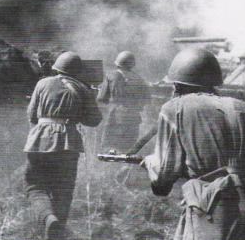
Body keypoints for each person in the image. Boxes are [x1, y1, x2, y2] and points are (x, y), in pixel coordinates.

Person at [139, 48, 245, 239]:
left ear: (177, 85)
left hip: (214, 213)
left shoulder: (174, 108)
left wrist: (151, 162)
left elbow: (163, 177)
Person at [24, 51, 102, 239]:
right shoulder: (82, 89)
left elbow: (32, 114)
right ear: (77, 71)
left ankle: (48, 218)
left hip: (40, 140)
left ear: (57, 67)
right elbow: (94, 120)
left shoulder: (42, 83)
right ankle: (57, 230)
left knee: (34, 186)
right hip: (68, 142)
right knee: (64, 190)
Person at [96, 51, 151, 152]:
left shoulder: (111, 75)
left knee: (111, 149)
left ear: (117, 63)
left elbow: (101, 98)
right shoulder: (139, 79)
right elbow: (146, 99)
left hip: (115, 117)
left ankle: (111, 167)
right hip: (134, 118)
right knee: (128, 149)